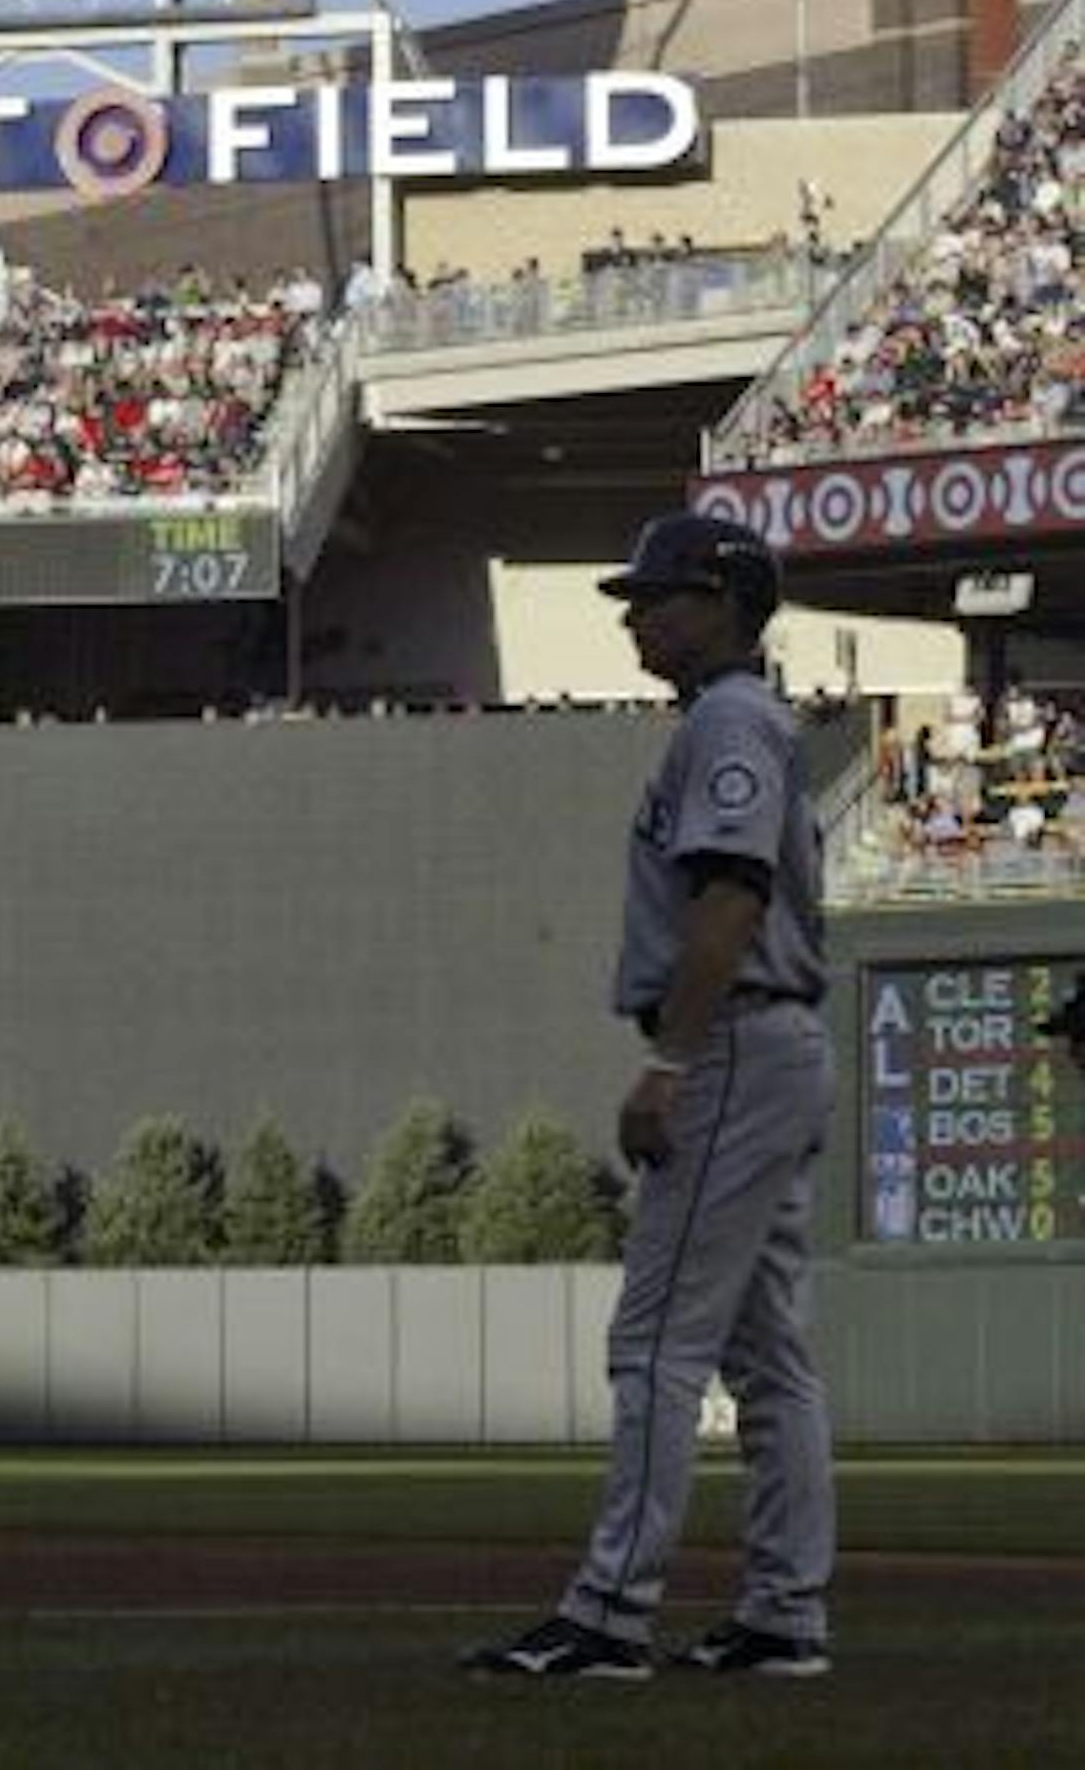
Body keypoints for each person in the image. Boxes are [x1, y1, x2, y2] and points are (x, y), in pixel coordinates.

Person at [465, 510, 834, 1682]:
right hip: (771, 1045)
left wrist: (669, 1062)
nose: (635, 613)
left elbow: (728, 898)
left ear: (722, 602)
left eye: (659, 594)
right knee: (767, 1355)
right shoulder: (737, 716)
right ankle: (783, 1613)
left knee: (658, 1341)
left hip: (731, 1043)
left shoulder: (729, 717)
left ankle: (611, 1612)